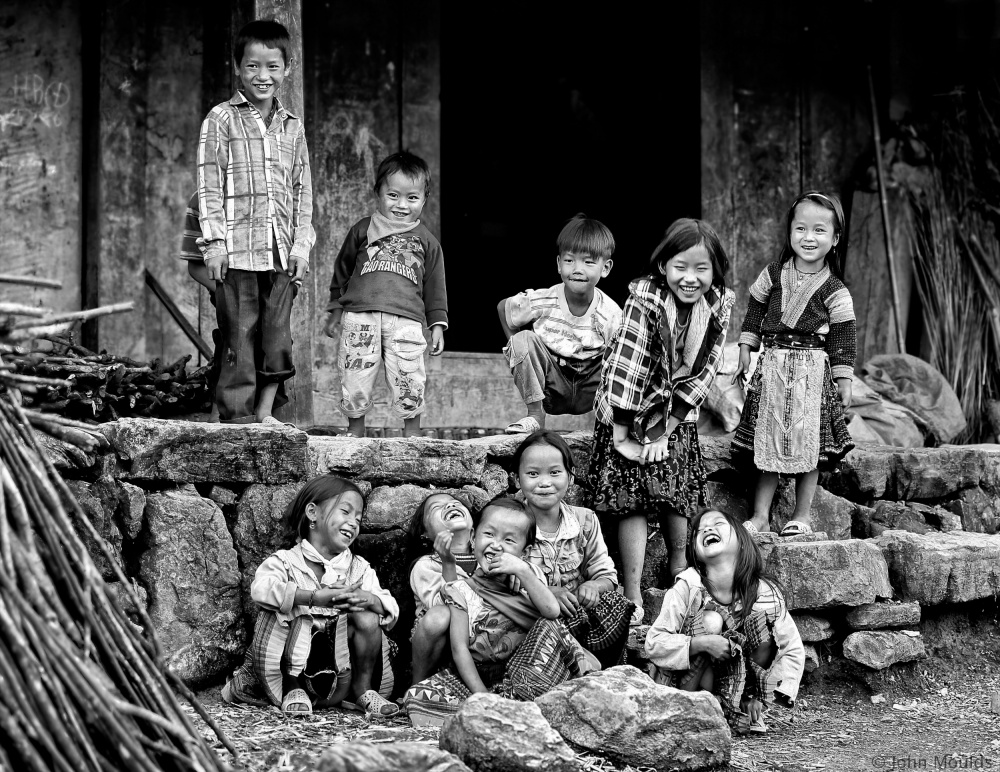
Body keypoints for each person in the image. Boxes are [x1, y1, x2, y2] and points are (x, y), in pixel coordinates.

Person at [587, 218, 734, 626]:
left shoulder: (717, 306)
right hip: (627, 410)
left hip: (674, 416)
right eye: (680, 267)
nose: (690, 278)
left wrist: (665, 432)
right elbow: (627, 369)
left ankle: (679, 567)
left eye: (701, 269)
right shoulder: (645, 301)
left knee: (675, 481)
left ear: (715, 271)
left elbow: (705, 374)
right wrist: (624, 436)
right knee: (632, 490)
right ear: (663, 265)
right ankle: (632, 590)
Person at [197, 19, 314, 425]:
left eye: (272, 66)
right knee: (238, 337)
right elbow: (209, 185)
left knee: (277, 337)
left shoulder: (292, 126)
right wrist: (214, 244)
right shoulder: (221, 119)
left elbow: (302, 190)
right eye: (252, 66)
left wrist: (301, 246)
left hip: (280, 253)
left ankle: (264, 413)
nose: (262, 76)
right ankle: (236, 421)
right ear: (237, 67)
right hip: (237, 253)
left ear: (287, 68)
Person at [403, 499, 597, 726]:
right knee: (420, 697)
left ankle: (529, 704)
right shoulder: (458, 589)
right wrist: (483, 697)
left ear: (525, 552)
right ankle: (515, 707)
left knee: (549, 627)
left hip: (531, 666)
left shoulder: (527, 574)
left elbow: (551, 612)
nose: (496, 545)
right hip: (484, 675)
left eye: (509, 540)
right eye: (489, 535)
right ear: (474, 538)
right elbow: (459, 649)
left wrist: (523, 571)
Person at [221, 476, 399, 718]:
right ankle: (292, 687)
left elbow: (391, 609)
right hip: (296, 671)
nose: (353, 522)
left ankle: (362, 690)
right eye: (345, 511)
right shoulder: (285, 562)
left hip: (341, 672)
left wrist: (366, 599)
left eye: (358, 519)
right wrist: (312, 598)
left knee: (368, 615)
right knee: (283, 603)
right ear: (312, 513)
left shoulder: (359, 568)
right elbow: (261, 589)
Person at [730, 191, 856, 536]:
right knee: (767, 438)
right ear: (789, 232)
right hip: (773, 367)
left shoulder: (834, 289)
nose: (808, 237)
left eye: (819, 230)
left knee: (810, 444)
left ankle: (802, 516)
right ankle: (760, 515)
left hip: (812, 373)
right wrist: (746, 346)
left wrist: (844, 379)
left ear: (835, 239)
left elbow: (844, 337)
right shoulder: (773, 274)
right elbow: (755, 309)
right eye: (800, 228)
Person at [645, 508, 805, 734]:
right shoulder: (688, 586)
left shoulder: (765, 593)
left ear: (741, 542)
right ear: (696, 552)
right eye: (699, 530)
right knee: (711, 621)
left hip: (738, 687)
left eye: (718, 524)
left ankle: (738, 708)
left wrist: (762, 697)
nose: (707, 529)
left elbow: (792, 648)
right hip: (687, 687)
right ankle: (691, 711)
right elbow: (654, 642)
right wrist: (701, 644)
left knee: (761, 627)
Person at [322, 151, 447, 438]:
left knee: (409, 376)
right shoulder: (362, 229)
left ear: (424, 199)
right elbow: (342, 271)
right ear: (377, 192)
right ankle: (355, 430)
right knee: (355, 373)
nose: (402, 205)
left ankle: (412, 432)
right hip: (360, 317)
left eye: (412, 198)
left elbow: (435, 287)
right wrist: (336, 309)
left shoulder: (428, 242)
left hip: (406, 321)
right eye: (393, 195)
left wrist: (437, 325)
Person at [513, 429, 633, 667]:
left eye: (555, 472)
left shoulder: (584, 520)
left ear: (570, 477)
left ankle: (606, 671)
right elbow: (503, 581)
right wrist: (545, 592)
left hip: (575, 616)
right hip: (531, 619)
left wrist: (593, 586)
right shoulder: (509, 524)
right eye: (533, 474)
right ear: (517, 479)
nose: (544, 482)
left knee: (617, 604)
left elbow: (607, 575)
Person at [497, 214, 621, 434]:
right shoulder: (543, 300)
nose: (577, 269)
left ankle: (612, 423)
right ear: (558, 264)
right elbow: (503, 308)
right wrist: (518, 354)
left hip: (591, 389)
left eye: (588, 262)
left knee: (621, 355)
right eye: (569, 260)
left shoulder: (611, 313)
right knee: (521, 339)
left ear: (606, 268)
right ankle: (535, 415)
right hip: (552, 385)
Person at [406, 491, 478, 682]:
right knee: (440, 615)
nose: (450, 506)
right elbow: (443, 605)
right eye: (437, 507)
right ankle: (418, 685)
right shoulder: (426, 566)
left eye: (455, 503)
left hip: (484, 640)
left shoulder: (488, 558)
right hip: (444, 650)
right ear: (425, 534)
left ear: (473, 531)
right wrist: (448, 564)